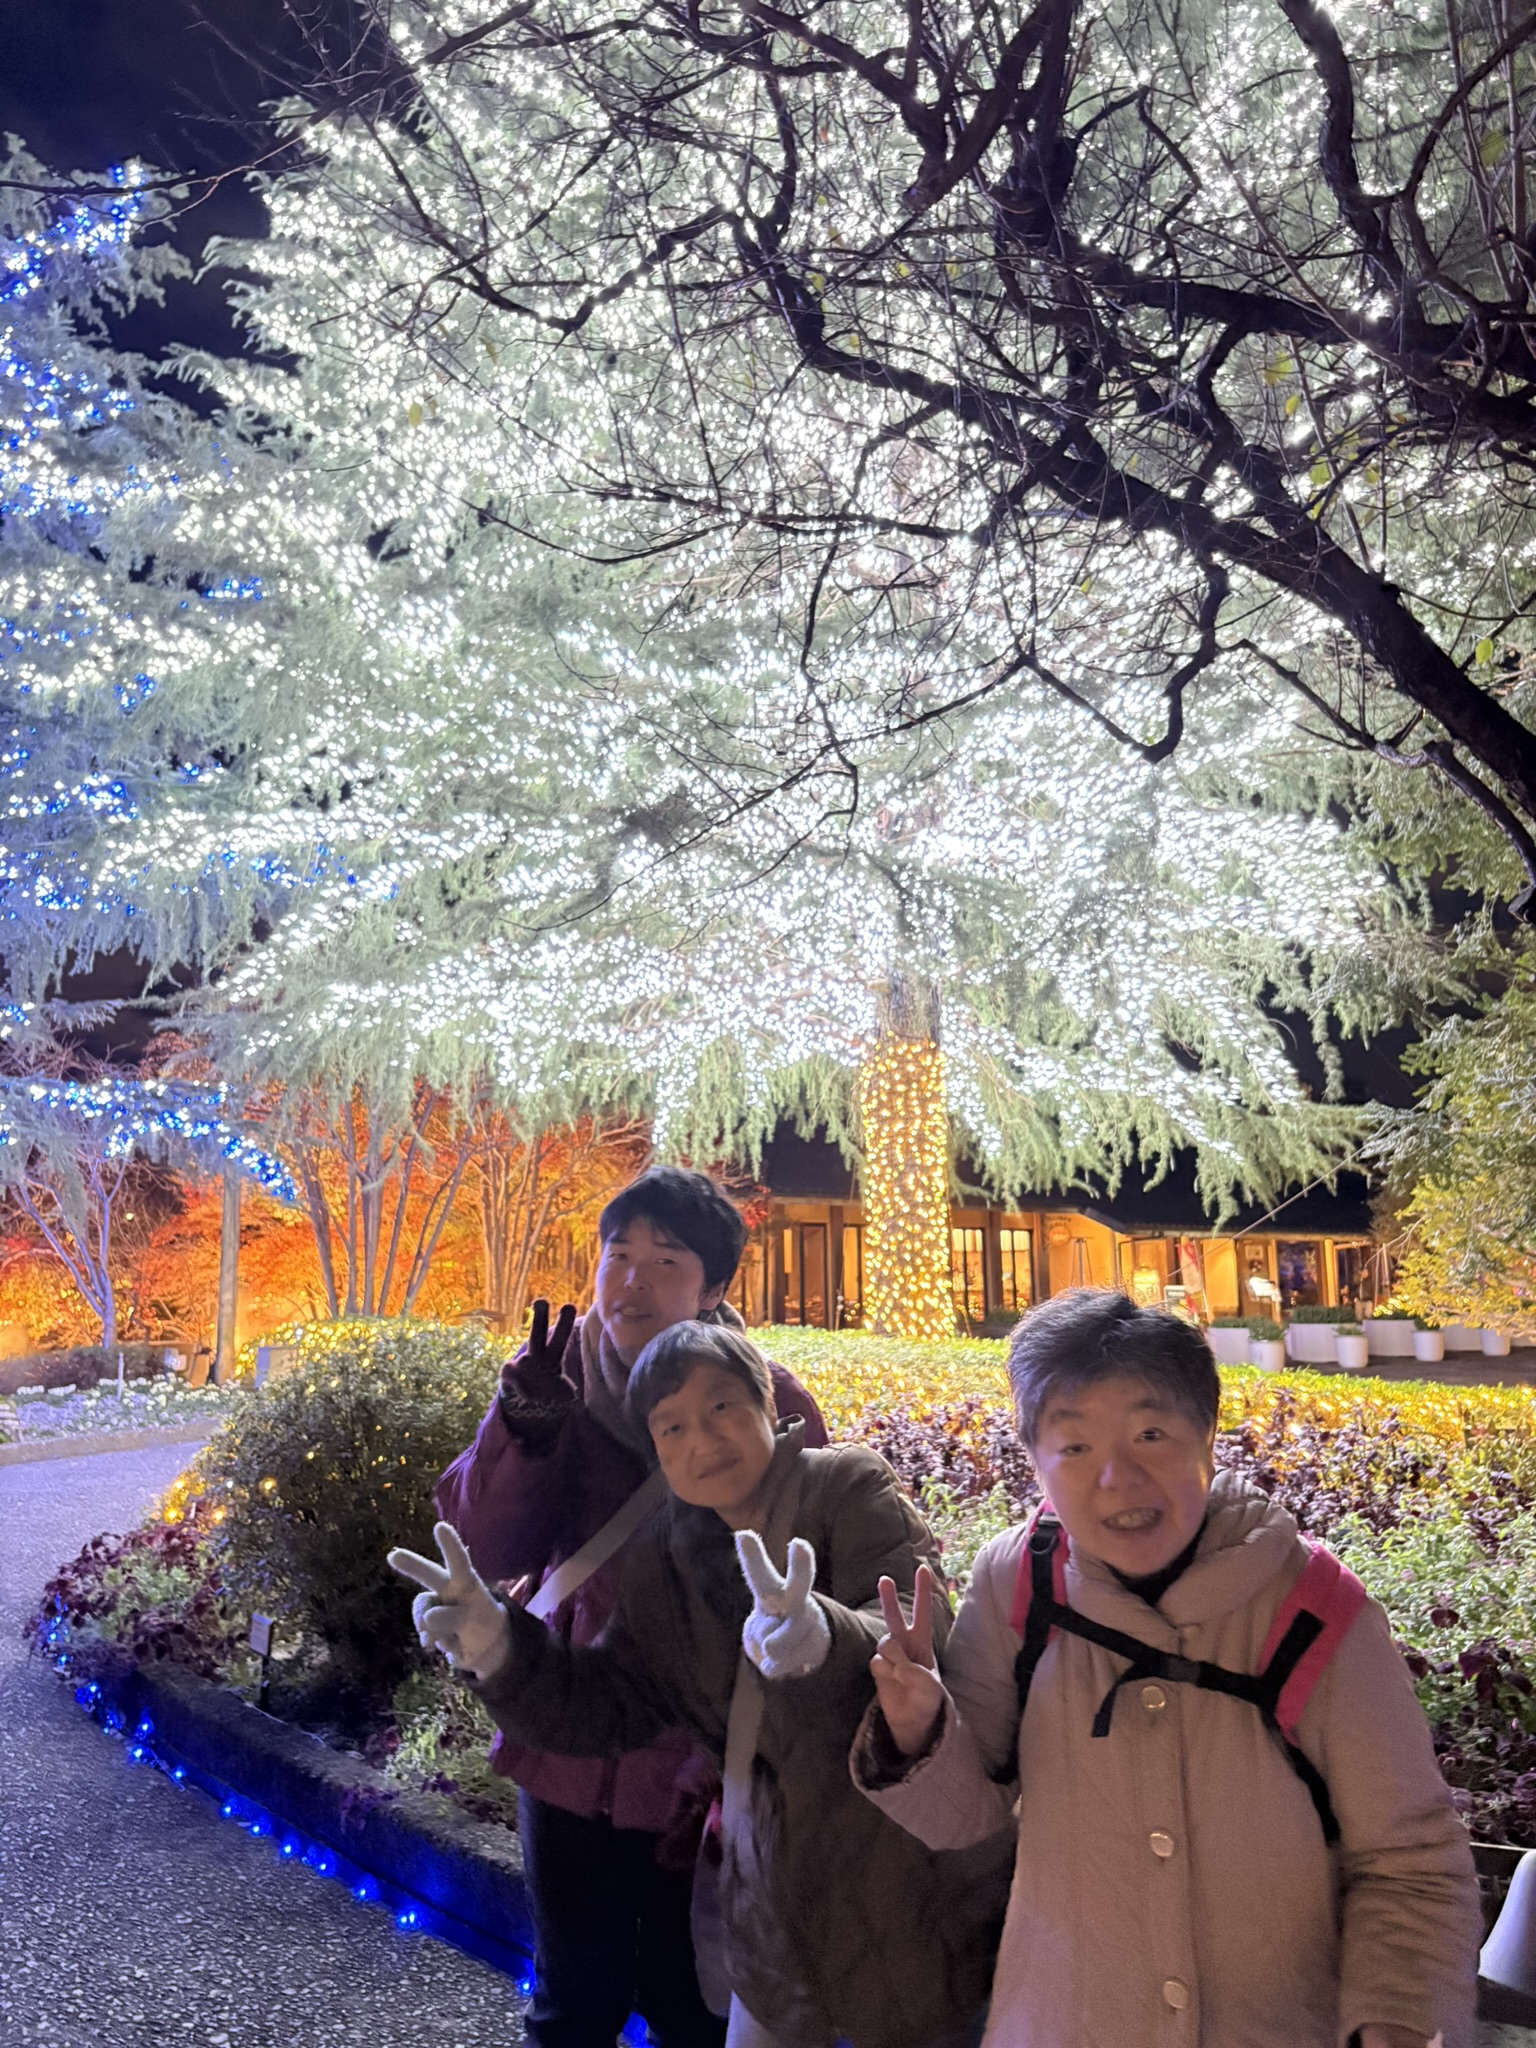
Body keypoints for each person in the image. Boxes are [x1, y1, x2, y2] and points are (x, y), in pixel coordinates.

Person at [854, 1288, 1481, 2048]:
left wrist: (1397, 2020)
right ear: (1035, 1461)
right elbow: (965, 1819)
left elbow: (1409, 1861)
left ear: (1208, 1436)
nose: (1116, 1478)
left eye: (1150, 1434)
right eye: (1075, 1447)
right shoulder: (1017, 1584)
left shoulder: (1312, 1608)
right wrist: (918, 1732)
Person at [392, 1320, 1009, 2048]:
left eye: (722, 1407)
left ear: (766, 1406)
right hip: (770, 1913)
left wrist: (819, 1633)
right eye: (672, 1425)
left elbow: (908, 1615)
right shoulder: (663, 1554)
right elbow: (608, 1703)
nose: (702, 1440)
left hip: (900, 1880)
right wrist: (498, 1645)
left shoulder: (845, 1484)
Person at [433, 1165, 827, 2048]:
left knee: (693, 2007)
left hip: (698, 1765)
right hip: (566, 1746)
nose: (631, 1282)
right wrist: (524, 1428)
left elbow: (806, 1580)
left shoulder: (770, 1406)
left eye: (665, 1261)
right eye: (618, 1256)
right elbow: (486, 1547)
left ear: (714, 1287)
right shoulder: (553, 1383)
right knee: (572, 2004)